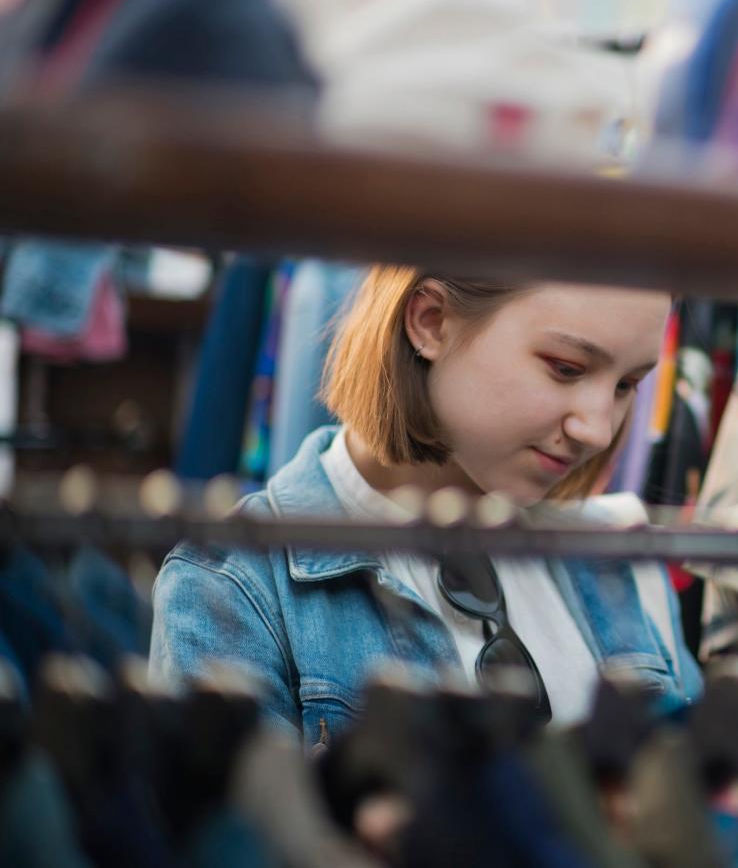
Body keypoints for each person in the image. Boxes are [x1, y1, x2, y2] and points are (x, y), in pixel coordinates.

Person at [150, 267, 703, 747]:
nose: (598, 428)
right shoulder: (235, 584)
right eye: (565, 367)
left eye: (627, 384)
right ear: (431, 321)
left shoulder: (623, 554)